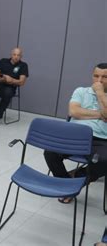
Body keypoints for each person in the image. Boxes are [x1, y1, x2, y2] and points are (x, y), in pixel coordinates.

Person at [44, 63, 107, 203]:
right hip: (75, 135)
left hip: (101, 139)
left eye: (104, 77)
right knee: (50, 152)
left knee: (105, 161)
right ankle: (67, 185)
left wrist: (100, 93)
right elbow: (74, 112)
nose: (99, 80)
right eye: (96, 76)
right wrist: (99, 114)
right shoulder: (81, 91)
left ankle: (76, 176)